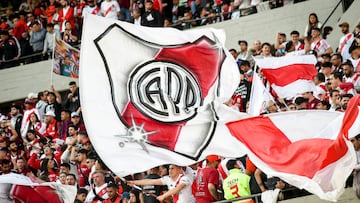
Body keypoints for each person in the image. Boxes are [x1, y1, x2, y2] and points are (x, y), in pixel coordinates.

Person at [128, 164, 195, 203]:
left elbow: (177, 188)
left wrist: (163, 196)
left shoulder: (185, 178)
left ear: (179, 169)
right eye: (169, 169)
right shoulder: (168, 179)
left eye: (172, 168)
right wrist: (134, 182)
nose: (170, 171)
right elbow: (150, 181)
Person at [350, 134, 360, 198]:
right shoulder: (352, 152)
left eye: (353, 141)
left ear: (359, 140)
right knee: (358, 194)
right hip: (356, 175)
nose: (351, 144)